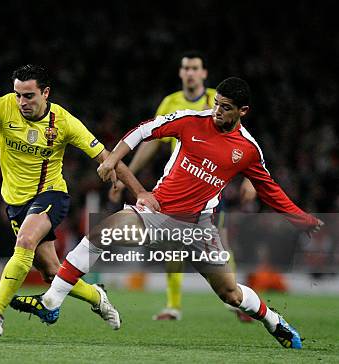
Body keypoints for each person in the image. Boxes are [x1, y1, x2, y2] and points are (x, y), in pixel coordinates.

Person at [11, 77, 323, 349]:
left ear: (243, 111)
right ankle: (52, 302)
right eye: (216, 104)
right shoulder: (191, 121)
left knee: (230, 294)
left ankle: (274, 321)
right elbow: (143, 131)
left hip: (198, 228)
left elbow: (269, 188)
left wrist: (301, 218)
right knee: (101, 233)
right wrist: (111, 159)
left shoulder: (248, 150)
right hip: (155, 211)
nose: (217, 111)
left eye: (226, 107)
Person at [0, 64, 146, 336]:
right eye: (18, 94)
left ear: (46, 93)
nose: (21, 102)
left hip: (50, 194)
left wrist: (140, 192)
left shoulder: (63, 122)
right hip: (15, 203)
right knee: (52, 272)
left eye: (29, 96)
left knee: (25, 241)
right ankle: (97, 297)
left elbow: (106, 156)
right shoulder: (4, 107)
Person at [109, 51, 257, 321]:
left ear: (203, 73)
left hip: (208, 190)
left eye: (195, 68)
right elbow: (152, 140)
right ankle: (173, 306)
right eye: (185, 68)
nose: (190, 72)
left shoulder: (220, 99)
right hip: (177, 184)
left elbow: (245, 143)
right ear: (181, 73)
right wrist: (126, 174)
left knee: (219, 240)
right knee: (172, 247)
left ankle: (234, 301)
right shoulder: (170, 102)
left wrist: (250, 179)